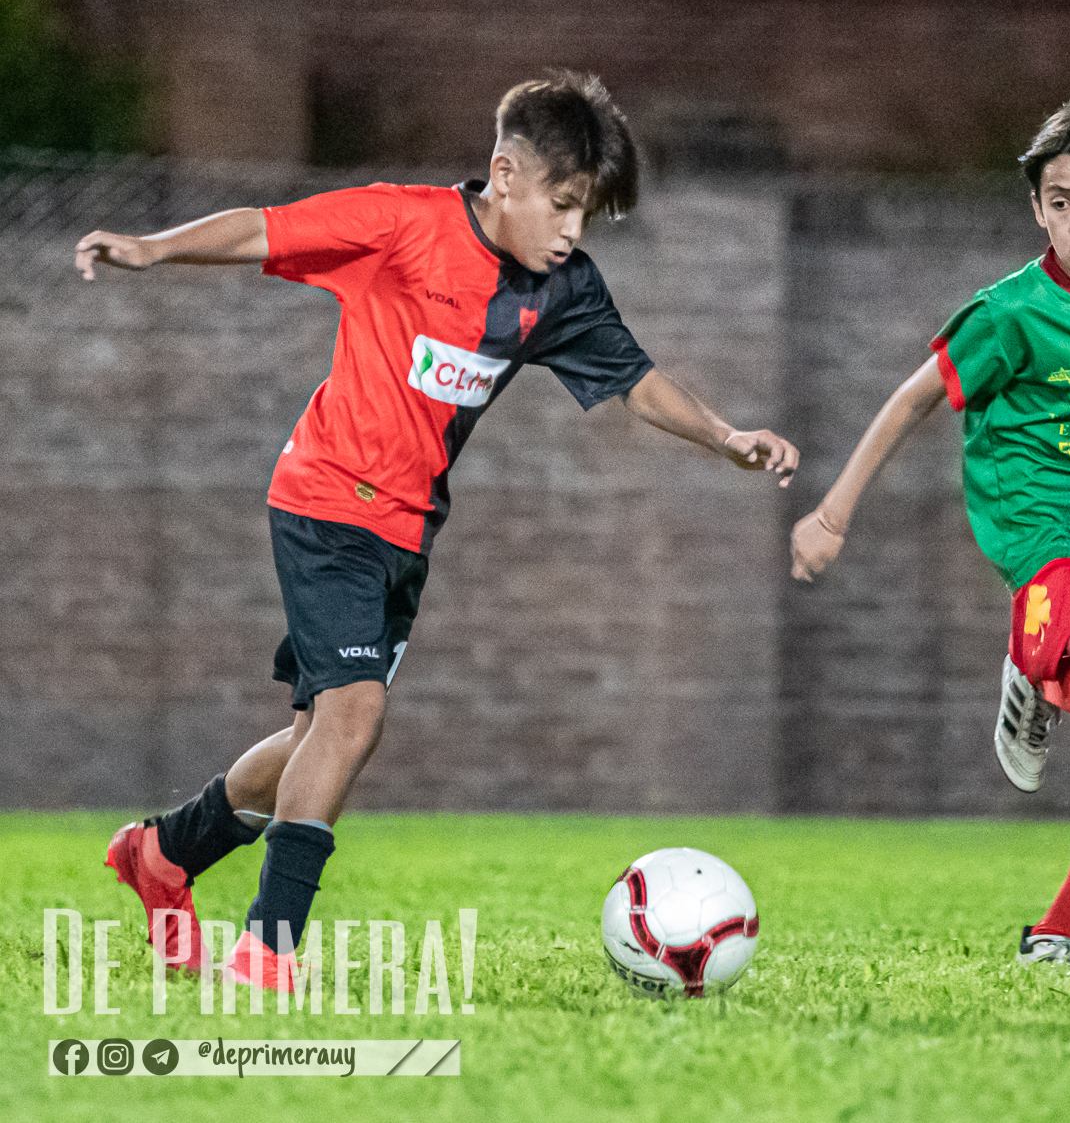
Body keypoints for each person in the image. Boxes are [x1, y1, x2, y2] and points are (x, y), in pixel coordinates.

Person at [82, 71, 799, 991]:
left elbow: (636, 378)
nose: (574, 228)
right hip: (325, 499)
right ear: (506, 175)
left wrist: (726, 435)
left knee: (316, 737)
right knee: (355, 716)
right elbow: (265, 227)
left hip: (407, 531)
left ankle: (164, 852)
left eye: (587, 212)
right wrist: (150, 249)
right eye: (564, 203)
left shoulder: (562, 289)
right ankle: (267, 949)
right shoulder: (401, 225)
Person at [789, 97, 1070, 965]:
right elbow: (913, 397)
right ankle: (1036, 666)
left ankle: (1053, 936)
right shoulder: (1012, 312)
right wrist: (833, 511)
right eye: (1059, 202)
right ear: (1037, 208)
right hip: (1039, 529)